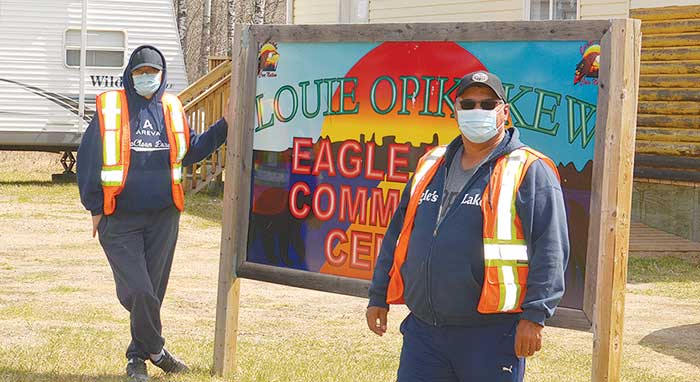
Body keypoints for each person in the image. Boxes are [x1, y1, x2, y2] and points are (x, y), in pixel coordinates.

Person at [365, 70, 569, 381]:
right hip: (424, 333)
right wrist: (378, 295)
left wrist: (535, 316)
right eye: (468, 104)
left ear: (505, 111)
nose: (478, 112)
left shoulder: (529, 169)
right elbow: (398, 234)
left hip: (491, 336)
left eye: (488, 105)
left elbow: (550, 248)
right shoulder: (431, 163)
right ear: (456, 110)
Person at [76, 45, 229, 382]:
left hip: (163, 217)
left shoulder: (172, 108)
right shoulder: (111, 107)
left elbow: (190, 152)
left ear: (162, 75)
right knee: (140, 291)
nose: (147, 78)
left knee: (153, 295)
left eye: (153, 72)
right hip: (119, 218)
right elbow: (87, 158)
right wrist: (95, 207)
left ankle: (137, 359)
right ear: (130, 74)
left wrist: (225, 125)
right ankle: (157, 350)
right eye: (140, 72)